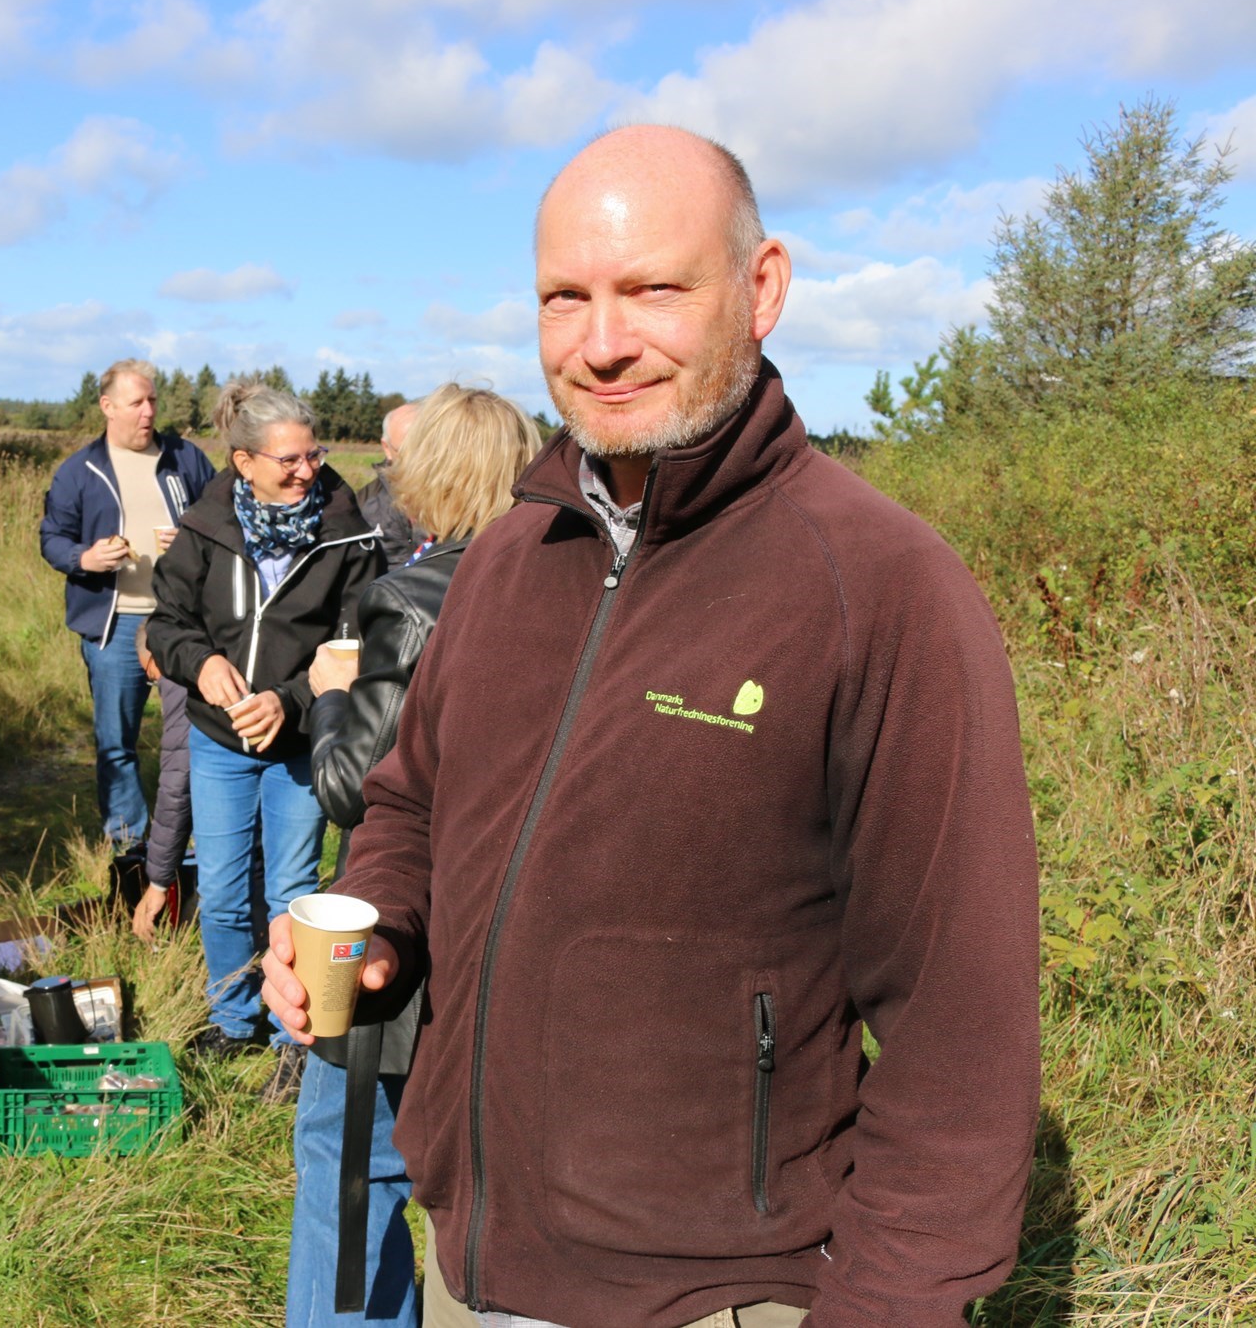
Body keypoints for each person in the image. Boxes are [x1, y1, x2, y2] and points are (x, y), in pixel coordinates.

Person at [262, 124, 1040, 1326]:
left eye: (652, 290)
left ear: (760, 287)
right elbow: (409, 799)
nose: (601, 342)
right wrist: (379, 926)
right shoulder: (507, 557)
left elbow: (960, 1032)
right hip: (474, 1268)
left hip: (718, 1296)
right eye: (563, 298)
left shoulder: (879, 587)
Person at [289, 384, 543, 1327]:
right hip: (510, 931)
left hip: (401, 932)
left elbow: (355, 786)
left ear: (432, 473)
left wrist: (329, 695)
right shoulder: (565, 589)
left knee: (347, 1162)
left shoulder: (412, 597)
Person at [147, 383, 383, 1088]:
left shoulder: (348, 533)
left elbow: (355, 645)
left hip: (301, 745)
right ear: (243, 462)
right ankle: (231, 1019)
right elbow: (167, 622)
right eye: (289, 460)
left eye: (314, 455)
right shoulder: (206, 525)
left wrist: (289, 700)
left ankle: (292, 1037)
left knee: (290, 891)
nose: (307, 470)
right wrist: (201, 662)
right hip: (218, 739)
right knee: (221, 890)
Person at [39, 359, 216, 849]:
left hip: (183, 622)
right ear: (108, 406)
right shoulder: (79, 470)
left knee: (200, 735)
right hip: (114, 624)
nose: (148, 411)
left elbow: (223, 517)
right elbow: (52, 538)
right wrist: (85, 558)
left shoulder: (186, 459)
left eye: (153, 400)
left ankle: (201, 837)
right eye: (137, 402)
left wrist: (192, 539)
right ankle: (129, 844)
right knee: (117, 742)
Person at [130, 619, 193, 940]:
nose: (155, 682)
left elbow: (177, 783)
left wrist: (157, 882)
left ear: (155, 658)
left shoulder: (179, 680)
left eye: (150, 676)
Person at [354, 402, 425, 566]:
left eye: (424, 447)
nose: (418, 458)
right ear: (387, 448)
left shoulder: (455, 495)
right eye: (406, 451)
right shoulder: (364, 502)